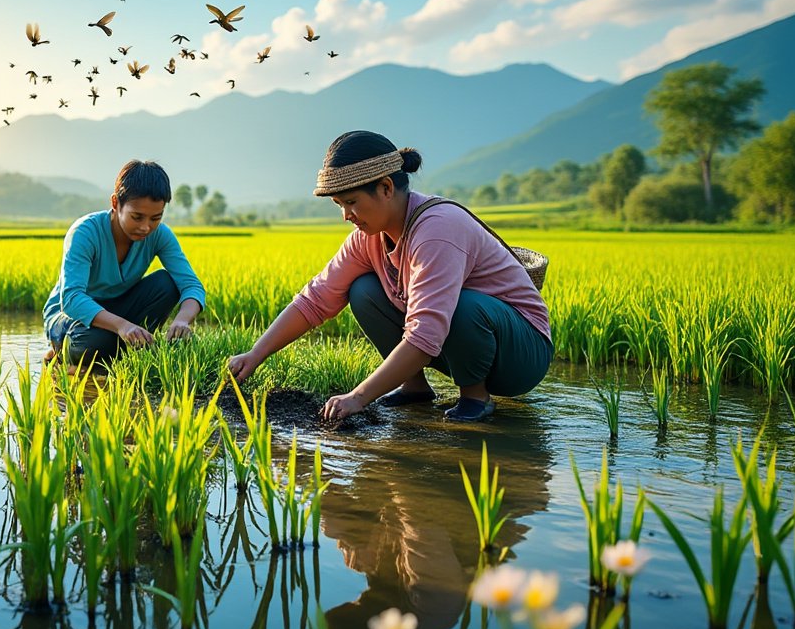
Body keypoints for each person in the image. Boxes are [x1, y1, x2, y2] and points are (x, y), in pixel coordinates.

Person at [226, 130, 551, 422]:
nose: (346, 216)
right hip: (457, 345)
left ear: (385, 188)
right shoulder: (367, 237)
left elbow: (426, 332)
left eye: (351, 202)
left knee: (463, 306)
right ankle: (414, 387)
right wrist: (256, 354)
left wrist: (359, 397)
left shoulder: (438, 229)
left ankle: (475, 396)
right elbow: (316, 299)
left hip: (519, 355)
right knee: (363, 290)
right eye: (339, 204)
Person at [43, 159, 206, 369]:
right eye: (136, 217)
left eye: (155, 218)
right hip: (69, 316)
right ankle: (61, 351)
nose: (146, 227)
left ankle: (127, 344)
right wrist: (122, 325)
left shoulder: (160, 235)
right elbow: (72, 299)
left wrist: (182, 320)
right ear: (115, 203)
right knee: (93, 343)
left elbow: (191, 285)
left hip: (118, 311)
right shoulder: (85, 232)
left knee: (168, 282)